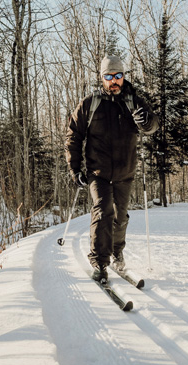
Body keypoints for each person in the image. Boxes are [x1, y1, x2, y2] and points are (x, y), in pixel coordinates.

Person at [65, 55, 158, 282]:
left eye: (118, 76)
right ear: (102, 78)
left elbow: (153, 126)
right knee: (103, 210)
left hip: (125, 171)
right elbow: (73, 136)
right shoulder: (90, 104)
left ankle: (117, 252)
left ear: (123, 77)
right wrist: (75, 169)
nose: (114, 81)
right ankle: (99, 262)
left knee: (120, 217)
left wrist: (147, 122)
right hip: (98, 172)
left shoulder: (134, 102)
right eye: (109, 77)